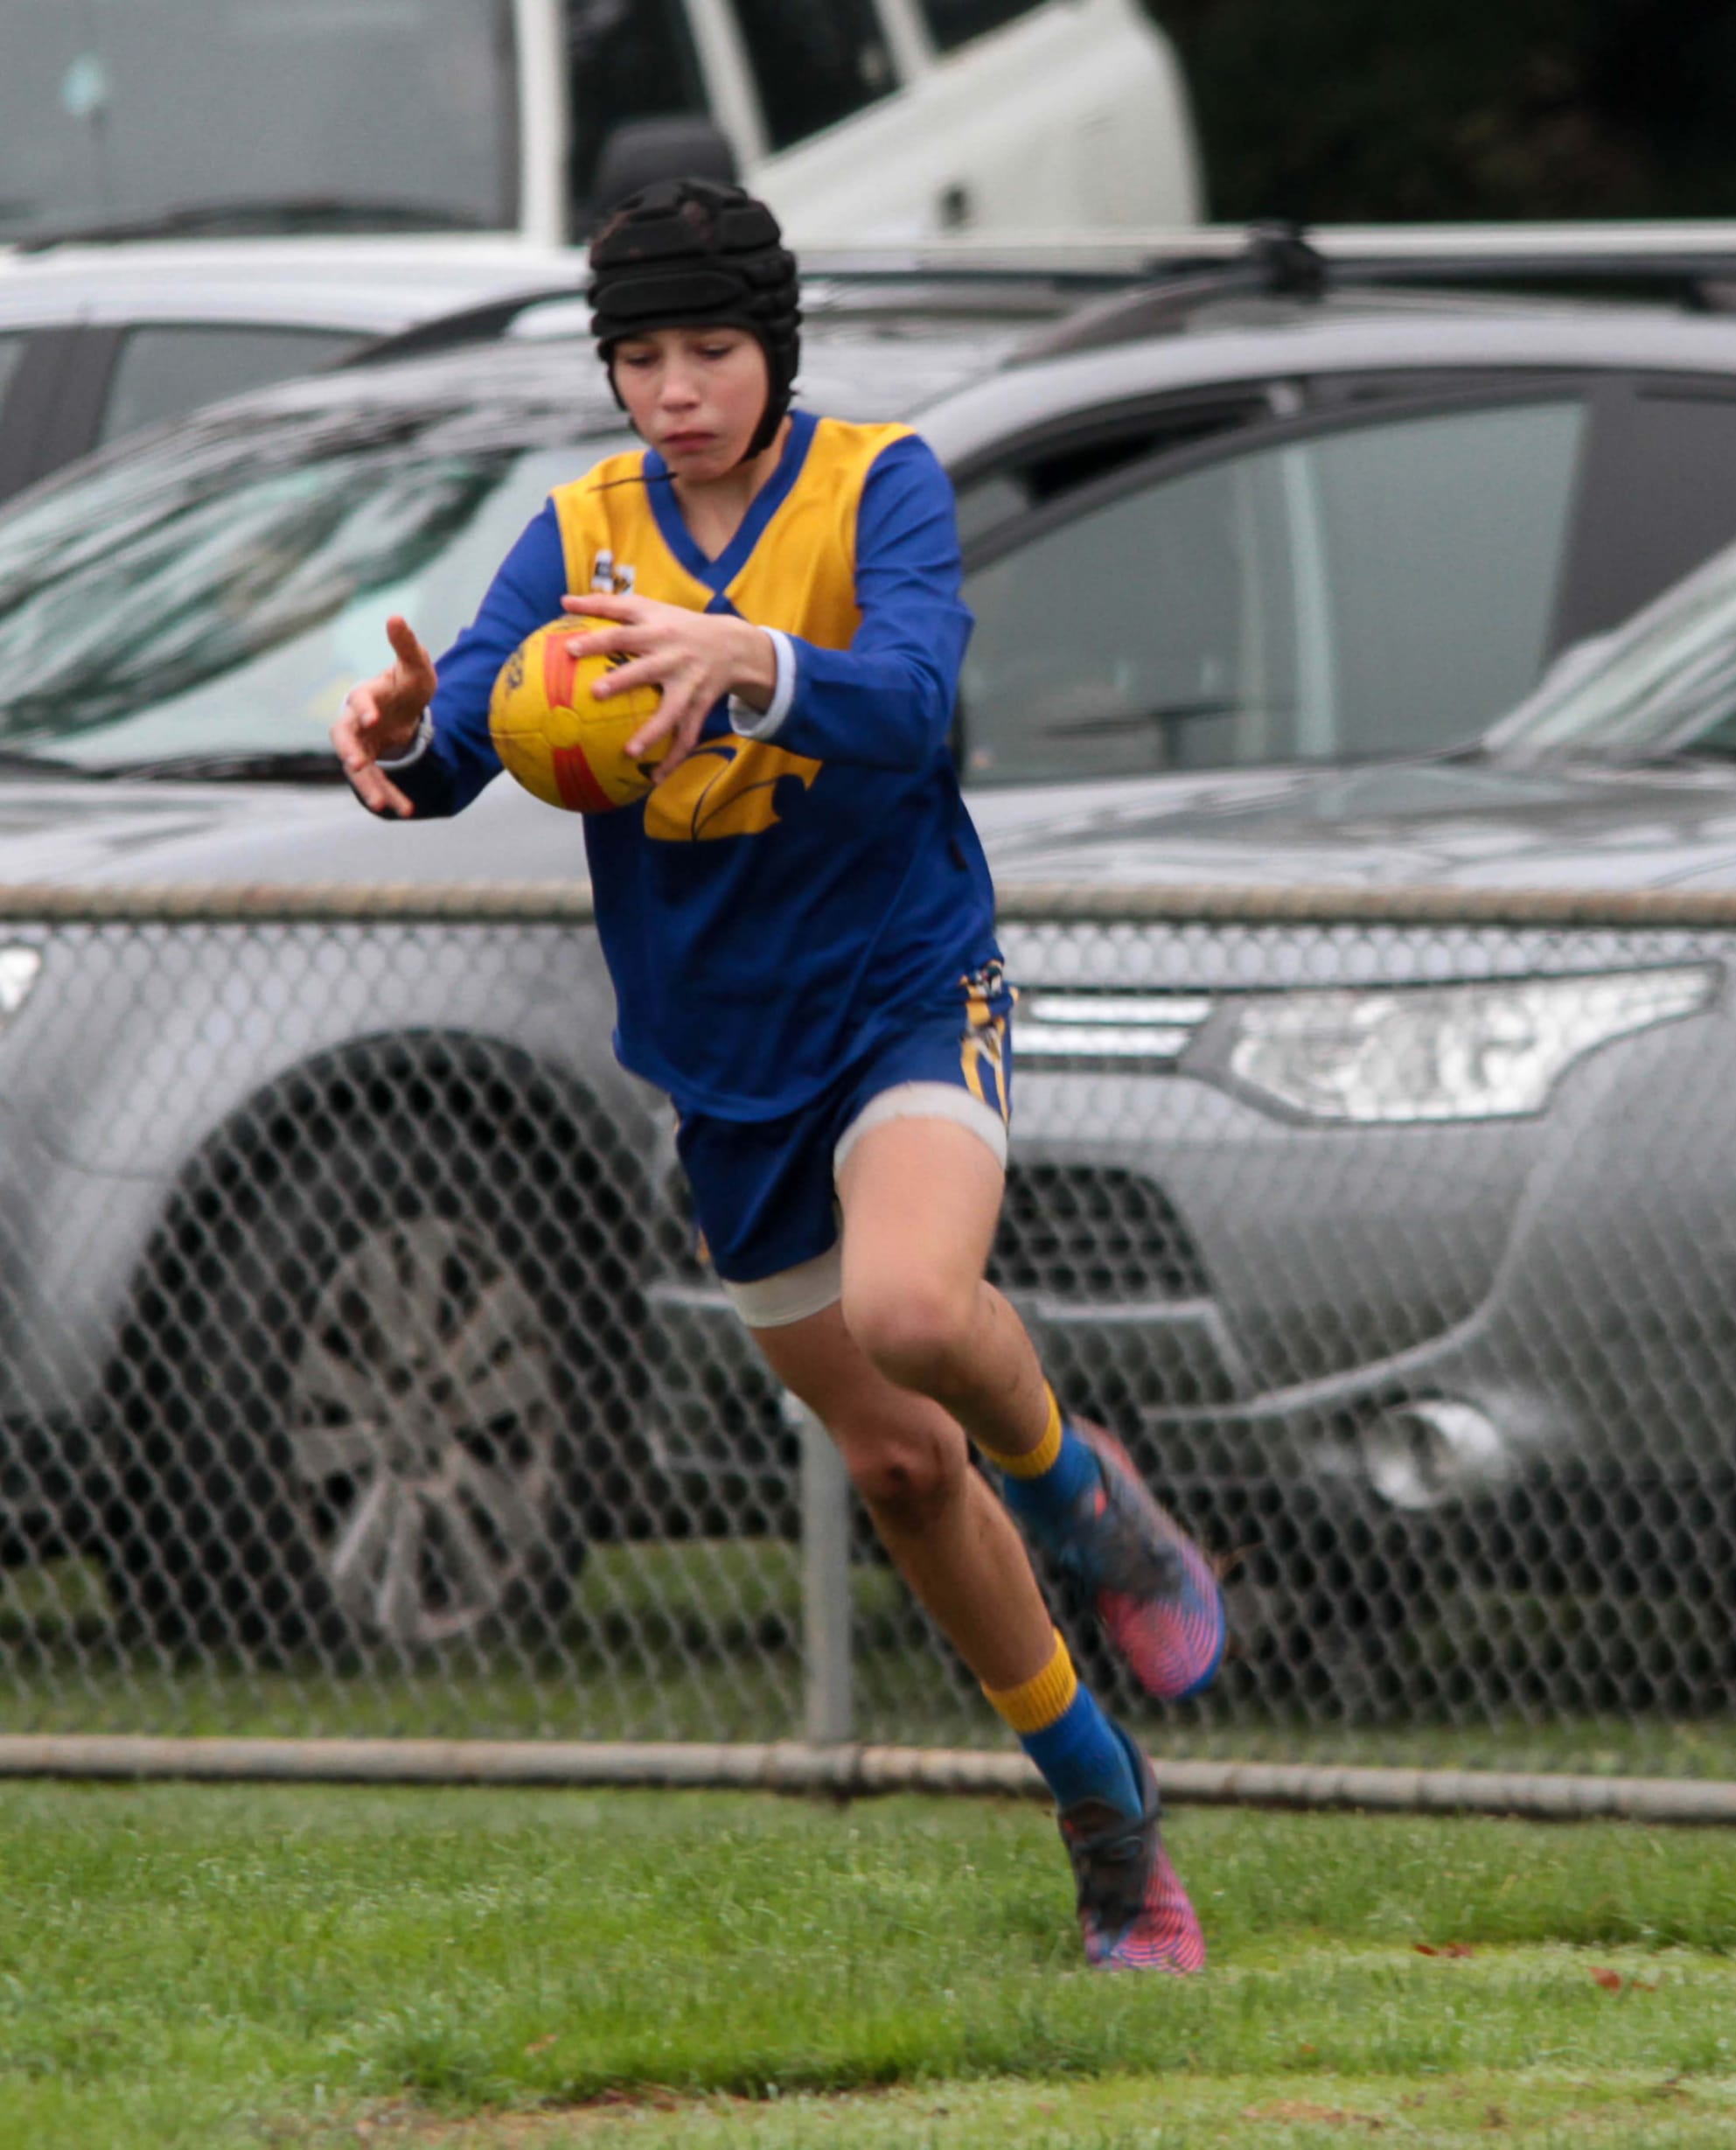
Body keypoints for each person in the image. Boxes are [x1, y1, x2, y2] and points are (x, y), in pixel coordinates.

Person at [331, 178, 1224, 1972]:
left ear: (775, 346)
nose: (674, 389)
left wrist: (753, 659)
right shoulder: (580, 529)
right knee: (899, 1468)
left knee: (913, 1306)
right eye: (639, 355)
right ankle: (1109, 1819)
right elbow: (484, 729)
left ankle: (1081, 1496)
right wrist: (410, 735)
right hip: (721, 1055)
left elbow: (906, 702)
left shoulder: (873, 482)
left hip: (902, 983)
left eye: (710, 349)